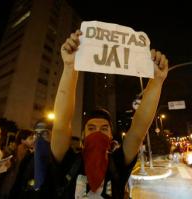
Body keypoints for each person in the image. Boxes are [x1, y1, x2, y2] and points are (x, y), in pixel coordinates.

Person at [50, 29, 168, 198]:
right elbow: (61, 124)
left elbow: (138, 130)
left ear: (112, 135)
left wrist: (156, 81)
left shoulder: (118, 163)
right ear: (82, 135)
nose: (97, 132)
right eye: (91, 128)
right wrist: (70, 67)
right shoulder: (68, 161)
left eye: (104, 128)